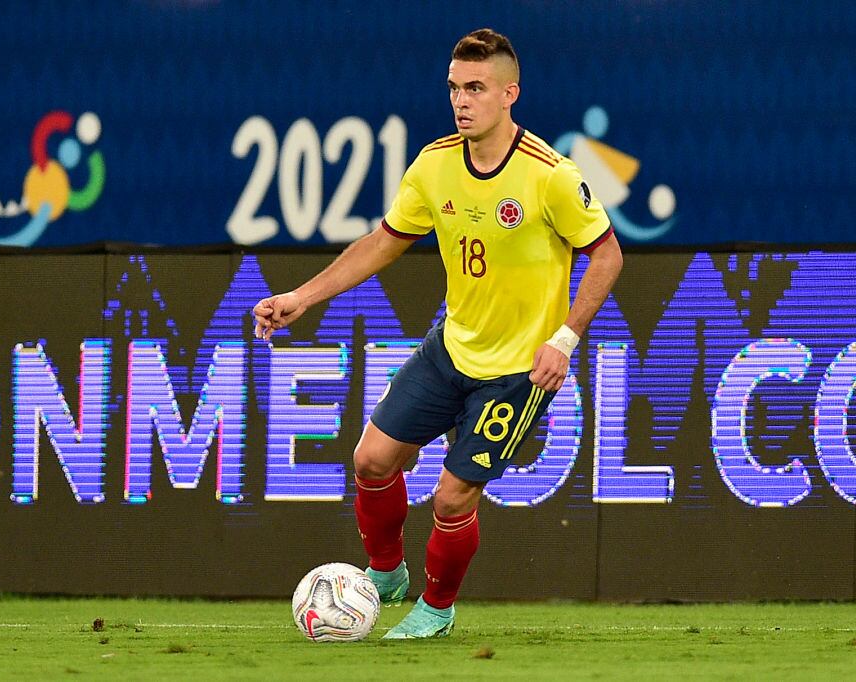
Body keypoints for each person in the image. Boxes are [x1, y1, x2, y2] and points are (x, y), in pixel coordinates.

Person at [253, 28, 622, 639]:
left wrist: (565, 339)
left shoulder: (551, 176)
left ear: (510, 94)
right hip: (451, 348)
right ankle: (387, 573)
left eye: (475, 88)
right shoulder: (434, 164)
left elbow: (606, 256)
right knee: (370, 459)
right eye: (454, 88)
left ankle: (437, 608)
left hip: (519, 369)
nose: (461, 100)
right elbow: (382, 244)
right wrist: (300, 298)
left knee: (452, 498)